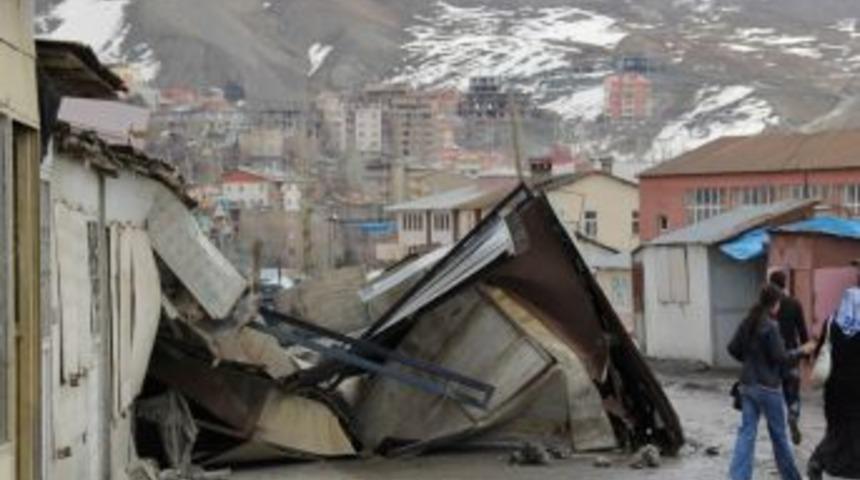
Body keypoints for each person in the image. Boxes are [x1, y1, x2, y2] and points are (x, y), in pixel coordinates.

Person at [727, 284, 815, 480]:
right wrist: (802, 351)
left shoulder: (747, 321)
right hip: (768, 388)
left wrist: (750, 361)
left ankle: (738, 477)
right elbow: (781, 358)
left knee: (746, 434)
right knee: (779, 436)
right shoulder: (770, 326)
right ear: (775, 304)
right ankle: (791, 477)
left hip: (747, 386)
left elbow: (732, 348)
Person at [807, 285, 860, 479]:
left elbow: (821, 349)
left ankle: (823, 462)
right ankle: (822, 461)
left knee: (837, 427)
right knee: (853, 428)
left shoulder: (831, 323)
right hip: (856, 389)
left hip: (834, 389)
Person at [768, 270, 809, 445]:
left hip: (771, 357)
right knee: (793, 393)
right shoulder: (794, 303)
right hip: (792, 355)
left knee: (774, 394)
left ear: (771, 284)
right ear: (785, 284)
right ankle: (793, 414)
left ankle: (778, 431)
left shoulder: (767, 305)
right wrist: (806, 353)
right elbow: (802, 330)